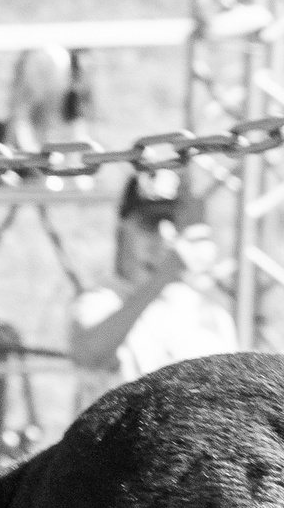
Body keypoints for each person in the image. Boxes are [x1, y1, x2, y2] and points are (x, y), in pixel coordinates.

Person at [68, 169, 239, 404]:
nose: (162, 235)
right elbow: (90, 354)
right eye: (150, 223)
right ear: (123, 228)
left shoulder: (211, 315)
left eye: (173, 222)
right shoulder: (100, 301)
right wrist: (162, 279)